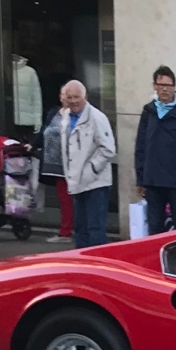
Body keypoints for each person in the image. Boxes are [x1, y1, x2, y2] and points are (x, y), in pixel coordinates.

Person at [134, 65, 176, 234]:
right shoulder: (149, 112)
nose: (164, 89)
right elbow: (141, 146)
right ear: (155, 86)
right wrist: (140, 178)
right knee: (154, 225)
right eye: (160, 85)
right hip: (153, 181)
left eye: (168, 85)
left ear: (174, 87)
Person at [60, 80, 115, 248]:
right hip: (77, 182)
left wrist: (91, 170)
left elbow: (108, 149)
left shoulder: (97, 117)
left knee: (95, 229)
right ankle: (81, 264)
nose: (73, 101)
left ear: (85, 97)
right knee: (80, 228)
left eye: (77, 97)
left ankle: (98, 266)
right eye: (69, 97)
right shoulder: (66, 118)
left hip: (96, 183)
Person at [34, 85, 73, 242]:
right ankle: (65, 231)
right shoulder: (53, 112)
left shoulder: (78, 115)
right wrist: (33, 144)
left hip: (70, 164)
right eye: (64, 95)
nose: (67, 99)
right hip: (54, 164)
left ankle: (67, 232)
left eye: (70, 96)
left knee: (70, 199)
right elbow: (44, 130)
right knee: (64, 199)